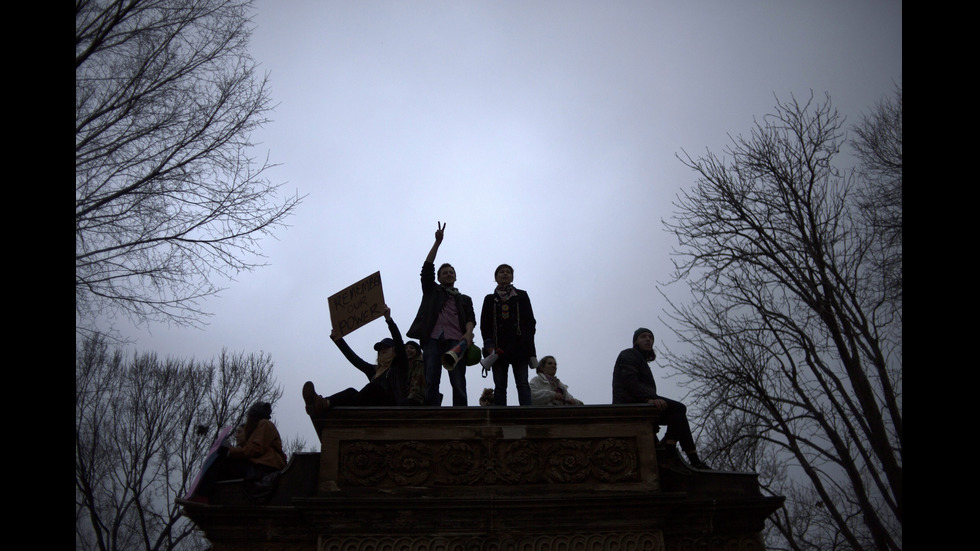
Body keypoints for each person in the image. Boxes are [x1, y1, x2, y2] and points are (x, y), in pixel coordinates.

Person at [612, 328, 710, 469]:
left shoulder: (641, 361)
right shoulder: (629, 354)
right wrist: (649, 399)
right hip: (630, 405)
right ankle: (671, 450)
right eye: (643, 337)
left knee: (679, 415)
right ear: (635, 341)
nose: (648, 339)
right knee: (678, 409)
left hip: (639, 402)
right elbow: (630, 380)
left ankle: (693, 458)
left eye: (651, 337)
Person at [406, 222, 476, 406]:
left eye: (451, 272)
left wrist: (468, 334)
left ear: (456, 276)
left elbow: (470, 319)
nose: (448, 274)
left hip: (456, 341)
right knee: (431, 380)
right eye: (444, 272)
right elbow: (426, 269)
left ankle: (461, 416)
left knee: (458, 382)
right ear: (439, 278)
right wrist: (437, 243)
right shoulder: (432, 291)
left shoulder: (464, 299)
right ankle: (431, 415)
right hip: (432, 340)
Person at [303, 306, 410, 416]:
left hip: (392, 407)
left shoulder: (399, 367)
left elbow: (399, 342)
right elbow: (354, 359)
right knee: (351, 392)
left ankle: (341, 408)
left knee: (373, 387)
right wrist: (338, 340)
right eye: (380, 348)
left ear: (395, 351)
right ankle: (320, 404)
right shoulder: (374, 371)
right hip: (373, 406)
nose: (383, 350)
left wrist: (389, 320)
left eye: (386, 347)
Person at [193, 401, 287, 501]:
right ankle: (208, 495)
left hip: (263, 467)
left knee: (221, 462)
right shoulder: (261, 427)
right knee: (223, 464)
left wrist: (229, 452)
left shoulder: (264, 424)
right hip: (260, 465)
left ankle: (202, 495)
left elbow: (255, 449)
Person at [479, 264, 537, 406]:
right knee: (500, 386)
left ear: (512, 277)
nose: (505, 274)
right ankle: (500, 418)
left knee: (522, 383)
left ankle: (526, 416)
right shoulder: (489, 299)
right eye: (501, 272)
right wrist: (489, 346)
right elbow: (484, 325)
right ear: (496, 277)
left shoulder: (521, 295)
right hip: (498, 349)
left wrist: (529, 346)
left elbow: (530, 322)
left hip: (520, 347)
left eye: (508, 272)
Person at [405, 340, 426, 406]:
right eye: (406, 348)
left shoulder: (419, 364)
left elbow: (417, 384)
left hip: (415, 401)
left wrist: (411, 400)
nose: (408, 350)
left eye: (411, 348)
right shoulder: (405, 367)